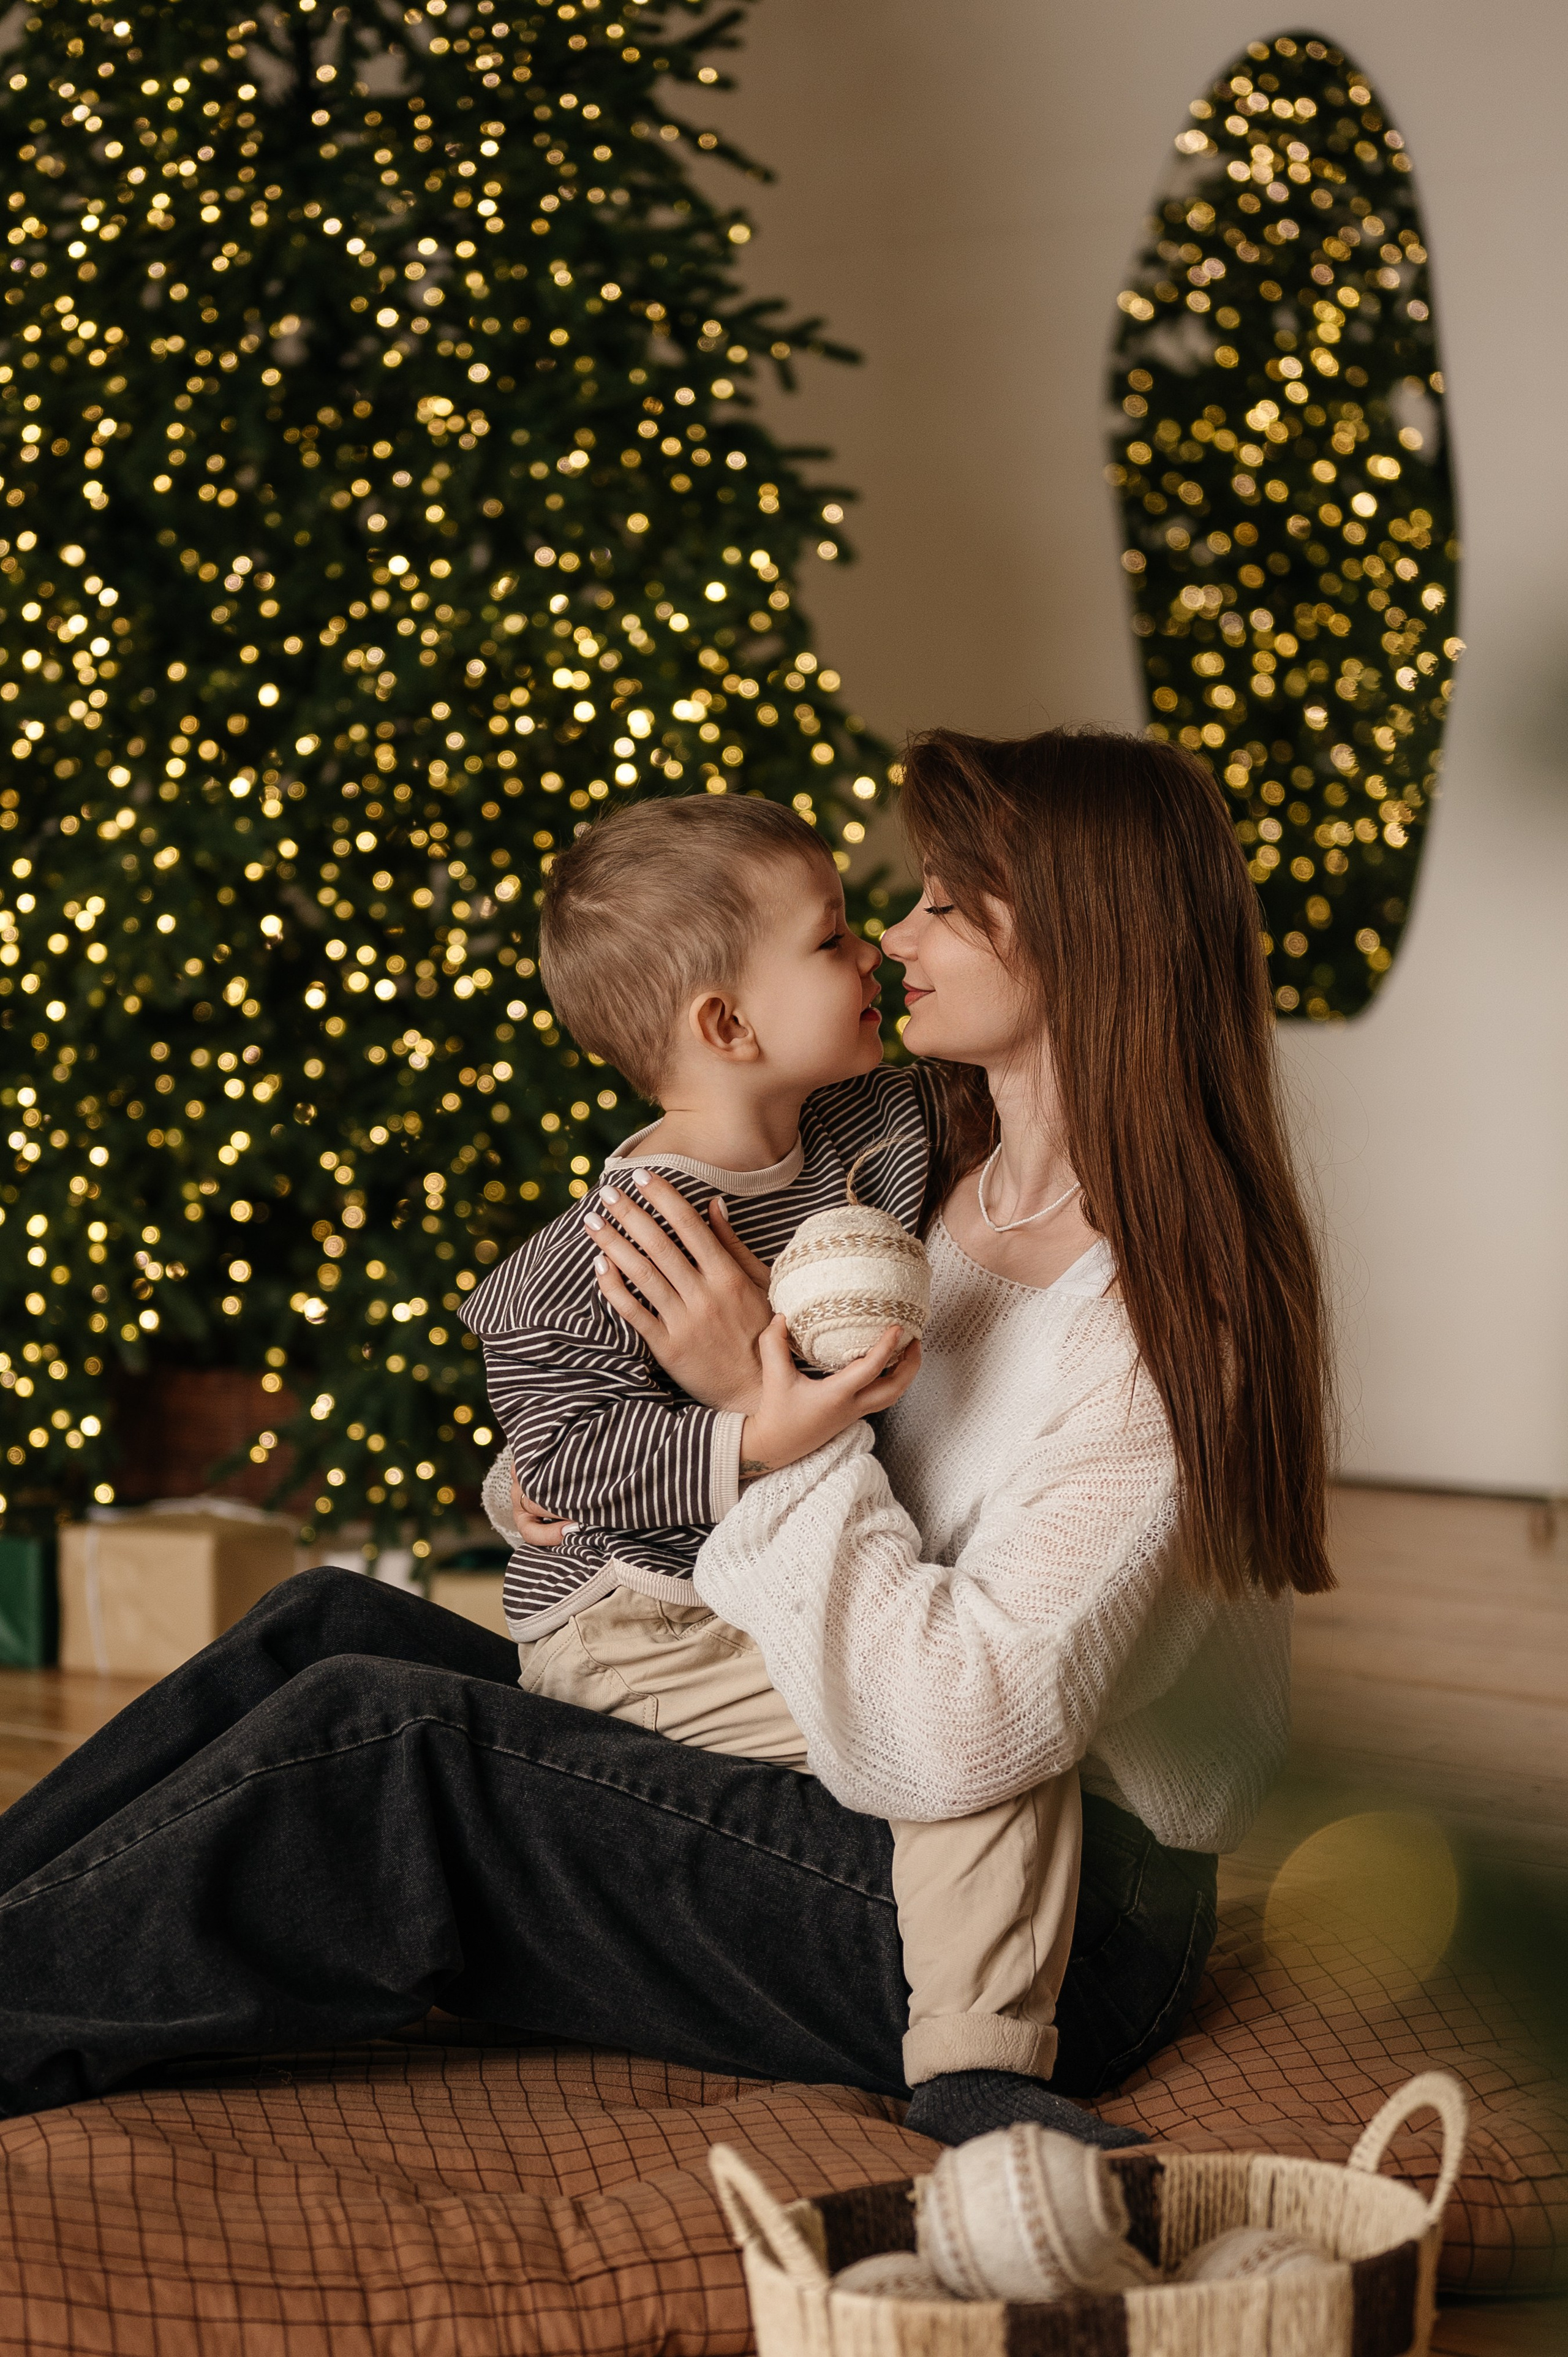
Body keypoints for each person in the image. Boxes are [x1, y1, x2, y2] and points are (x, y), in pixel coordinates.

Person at [0, 728, 1330, 2141]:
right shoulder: (915, 1163)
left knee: (388, 1749)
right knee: (321, 1630)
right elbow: (647, 1369)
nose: (893, 936)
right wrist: (561, 1470)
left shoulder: (1161, 1326)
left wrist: (762, 1420)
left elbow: (969, 1728)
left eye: (945, 903)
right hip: (842, 1734)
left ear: (1082, 938)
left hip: (1046, 1913)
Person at [470, 791, 1114, 2148]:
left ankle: (973, 2051)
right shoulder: (589, 1260)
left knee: (978, 1726)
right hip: (643, 1632)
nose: (876, 949)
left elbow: (1034, 1092)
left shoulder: (877, 1128)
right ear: (726, 1026)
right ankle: (979, 2070)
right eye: (831, 940)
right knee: (976, 1750)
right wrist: (755, 1439)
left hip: (775, 1589)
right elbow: (566, 1450)